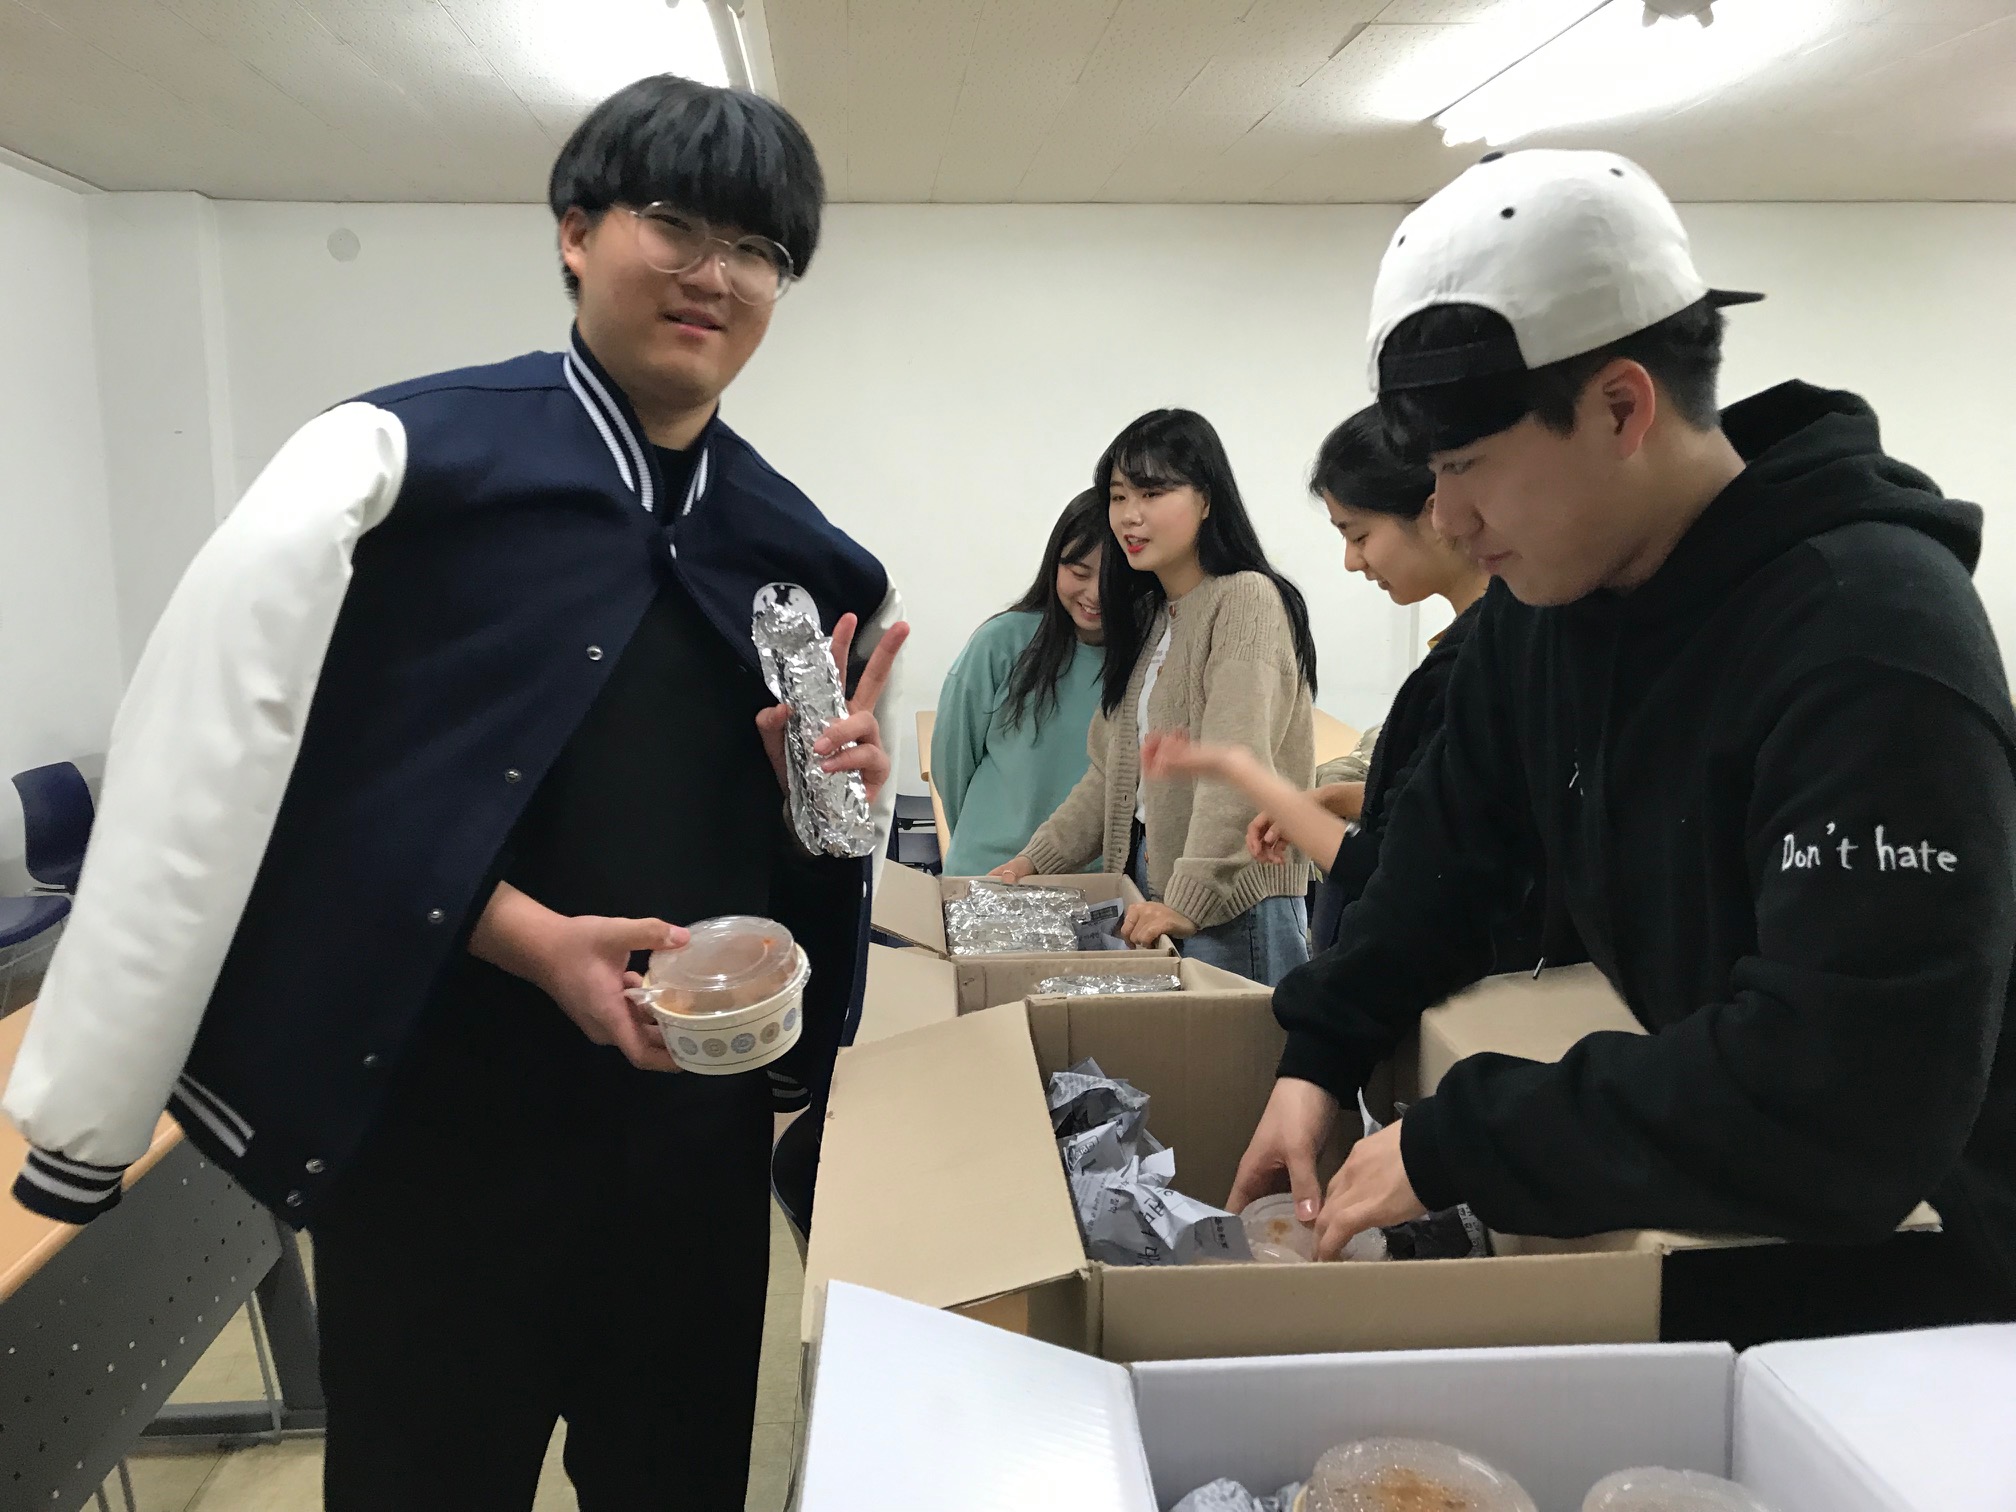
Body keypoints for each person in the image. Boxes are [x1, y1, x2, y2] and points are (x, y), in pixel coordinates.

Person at [2, 75, 909, 1511]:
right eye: (676, 224)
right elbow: (264, 774)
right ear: (574, 233)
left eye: (758, 249)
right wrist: (528, 938)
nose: (716, 275)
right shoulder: (406, 475)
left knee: (675, 1483)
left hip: (687, 1150)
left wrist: (831, 808)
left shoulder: (799, 559)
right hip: (436, 1132)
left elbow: (802, 864)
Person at [1230, 148, 2016, 1344]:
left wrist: (1457, 1141)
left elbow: (1847, 1095)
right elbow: (1444, 861)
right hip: (1725, 1227)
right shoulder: (1545, 612)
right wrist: (1319, 1055)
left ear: (1620, 407)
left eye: (1467, 468)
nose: (1449, 519)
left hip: (1927, 1297)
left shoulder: (1871, 636)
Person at [1145, 405, 1533, 962]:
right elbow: (1436, 804)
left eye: (1359, 534)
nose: (1351, 561)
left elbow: (1399, 870)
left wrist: (1245, 774)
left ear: (1437, 511)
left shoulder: (1488, 660)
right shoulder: (1474, 645)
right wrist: (1336, 798)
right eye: (1120, 498)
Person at [993, 409, 1319, 988]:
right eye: (1119, 496)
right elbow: (1112, 774)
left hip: (1235, 900)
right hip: (1160, 886)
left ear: (1207, 500)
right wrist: (1033, 861)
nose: (1130, 515)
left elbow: (1236, 767)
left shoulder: (1245, 599)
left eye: (1152, 492)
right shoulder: (1151, 616)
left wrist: (1189, 901)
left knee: (1236, 1049)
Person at [932, 490, 1107, 876]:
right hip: (988, 871)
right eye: (1079, 573)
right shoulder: (1000, 643)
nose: (1095, 594)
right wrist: (981, 841)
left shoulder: (1145, 661)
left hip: (1094, 884)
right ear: (1054, 564)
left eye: (1113, 578)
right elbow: (951, 762)